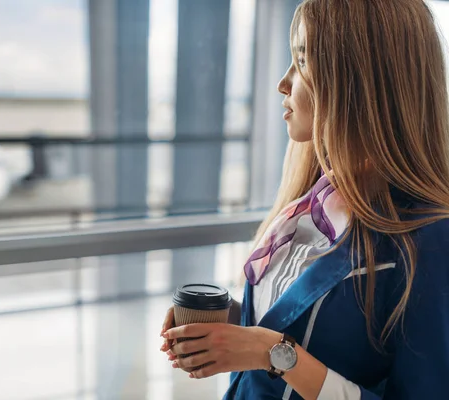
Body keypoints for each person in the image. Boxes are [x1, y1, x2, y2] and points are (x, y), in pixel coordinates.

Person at [159, 0, 449, 399]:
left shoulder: (430, 237)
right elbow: (298, 324)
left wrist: (272, 352)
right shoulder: (308, 204)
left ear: (359, 78)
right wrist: (226, 326)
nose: (283, 82)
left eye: (303, 60)